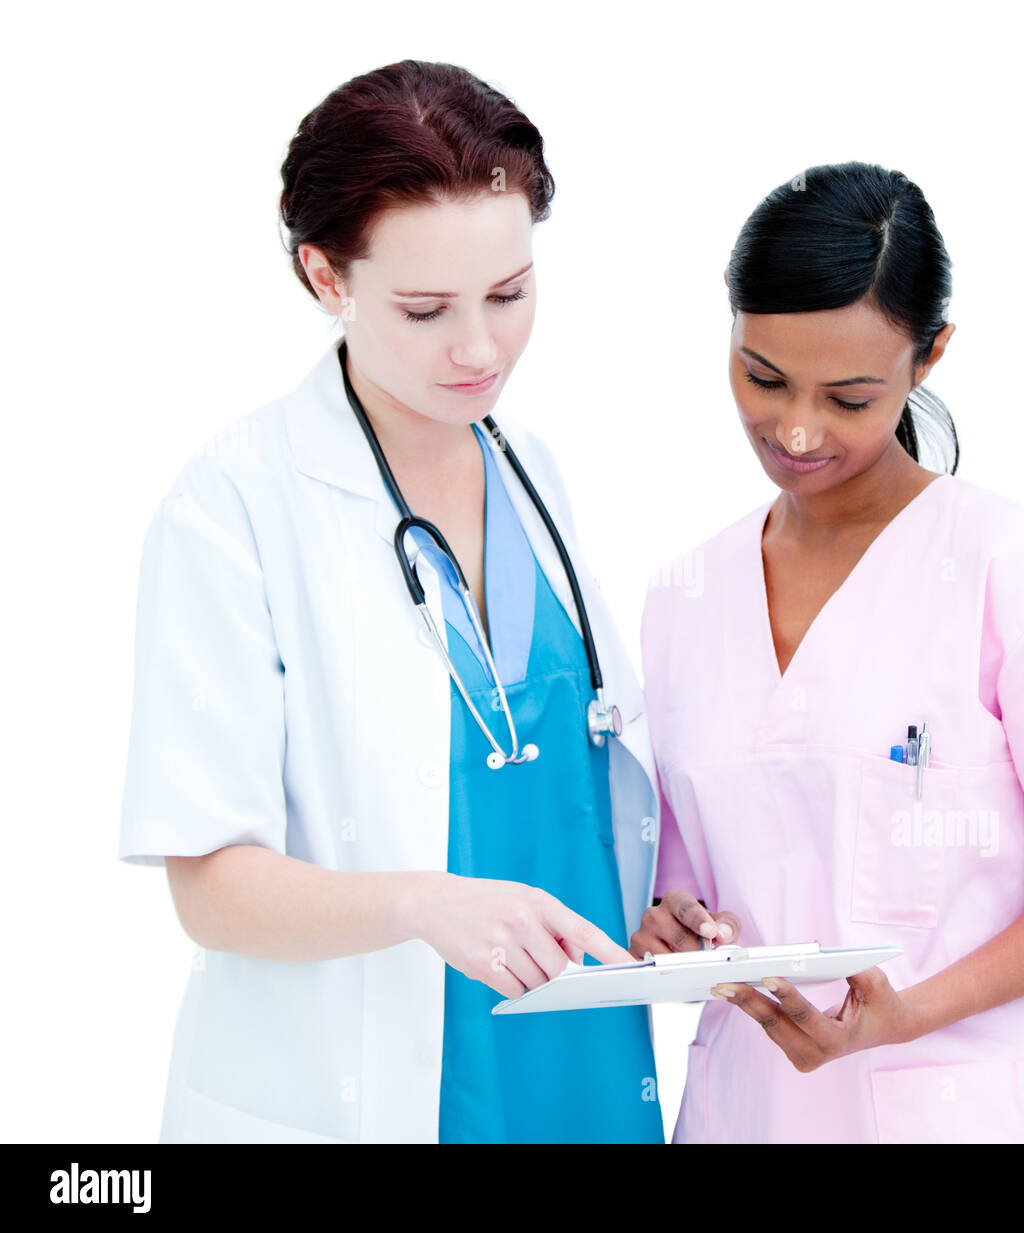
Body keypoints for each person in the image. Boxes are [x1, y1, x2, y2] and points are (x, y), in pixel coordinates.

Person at [119, 59, 663, 1144]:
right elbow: (210, 884)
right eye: (425, 309)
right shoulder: (233, 507)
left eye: (510, 295)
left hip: (577, 1057)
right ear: (325, 275)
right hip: (379, 1081)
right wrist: (420, 903)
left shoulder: (532, 473)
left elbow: (570, 781)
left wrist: (662, 903)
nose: (479, 349)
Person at [632, 161, 1024, 1143]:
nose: (797, 429)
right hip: (748, 1111)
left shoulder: (1016, 573)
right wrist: (671, 917)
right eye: (763, 377)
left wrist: (908, 1014)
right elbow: (686, 873)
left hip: (962, 1107)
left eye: (850, 396)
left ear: (929, 355)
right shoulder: (681, 597)